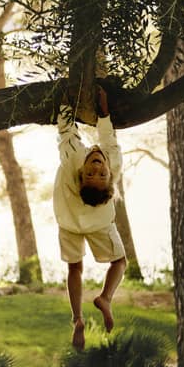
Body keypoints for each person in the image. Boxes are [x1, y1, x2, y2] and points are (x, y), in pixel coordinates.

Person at [53, 84, 128, 350]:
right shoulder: (114, 162)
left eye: (93, 173)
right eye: (100, 173)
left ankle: (77, 320)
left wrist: (66, 100)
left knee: (75, 268)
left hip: (69, 222)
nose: (97, 168)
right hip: (98, 222)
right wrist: (104, 113)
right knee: (119, 262)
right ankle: (105, 298)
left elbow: (66, 130)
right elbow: (108, 139)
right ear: (111, 178)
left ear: (81, 174)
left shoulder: (73, 158)